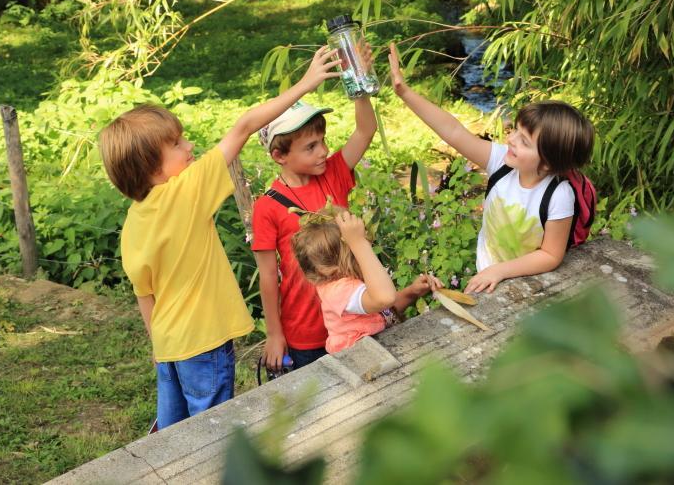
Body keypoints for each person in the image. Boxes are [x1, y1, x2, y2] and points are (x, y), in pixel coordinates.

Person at [98, 45, 341, 429]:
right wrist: (305, 84)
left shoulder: (133, 223)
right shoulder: (184, 192)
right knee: (211, 431)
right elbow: (244, 127)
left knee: (172, 432)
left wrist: (159, 349)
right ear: (153, 169)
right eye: (177, 144)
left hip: (169, 345)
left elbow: (145, 295)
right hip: (205, 341)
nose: (190, 146)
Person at [388, 42, 595, 294]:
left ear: (548, 162)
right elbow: (452, 130)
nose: (511, 140)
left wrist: (500, 270)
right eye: (515, 131)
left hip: (528, 284)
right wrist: (404, 92)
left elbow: (551, 255)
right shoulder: (501, 162)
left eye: (524, 141)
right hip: (488, 278)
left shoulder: (559, 194)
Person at [252, 45, 379, 371]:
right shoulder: (267, 207)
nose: (323, 151)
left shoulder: (334, 173)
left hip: (351, 318)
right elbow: (268, 276)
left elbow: (366, 130)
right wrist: (275, 334)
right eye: (310, 147)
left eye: (323, 140)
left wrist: (359, 83)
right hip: (305, 331)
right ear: (280, 156)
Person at [292, 210, 442, 353]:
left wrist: (411, 292)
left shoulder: (346, 281)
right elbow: (384, 298)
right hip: (361, 364)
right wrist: (358, 242)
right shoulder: (339, 291)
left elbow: (383, 311)